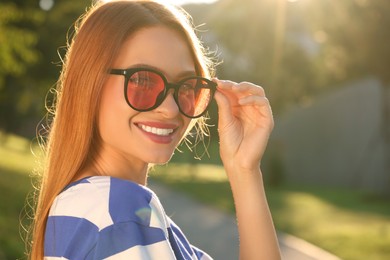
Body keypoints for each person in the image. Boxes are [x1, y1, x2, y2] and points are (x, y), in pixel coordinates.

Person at [29, 0, 281, 259]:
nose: (170, 109)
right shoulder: (119, 212)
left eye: (186, 86)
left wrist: (244, 169)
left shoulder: (100, 212)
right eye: (143, 81)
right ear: (90, 83)